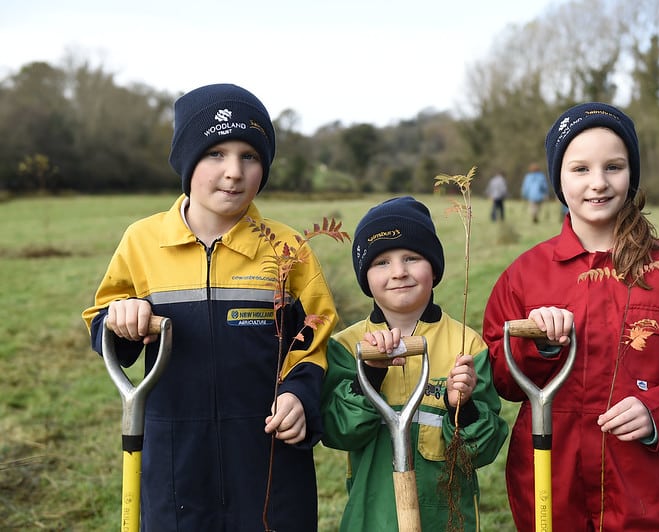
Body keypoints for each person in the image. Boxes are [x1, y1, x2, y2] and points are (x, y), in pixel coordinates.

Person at [81, 83, 337, 531]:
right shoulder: (142, 242)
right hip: (174, 457)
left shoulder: (288, 249)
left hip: (268, 456)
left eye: (249, 156)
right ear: (185, 159)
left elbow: (316, 340)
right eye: (215, 153)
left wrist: (300, 396)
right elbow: (104, 325)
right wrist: (119, 320)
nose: (234, 171)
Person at [482, 102, 659, 530]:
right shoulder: (524, 276)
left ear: (631, 173)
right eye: (580, 169)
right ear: (557, 179)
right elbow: (501, 379)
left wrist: (658, 410)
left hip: (642, 484)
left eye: (613, 167)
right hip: (549, 476)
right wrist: (539, 346)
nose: (598, 183)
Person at [321, 196, 508, 531]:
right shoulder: (349, 347)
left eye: (411, 257)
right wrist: (370, 374)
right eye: (382, 262)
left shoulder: (466, 346)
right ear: (365, 277)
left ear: (433, 267)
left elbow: (482, 451)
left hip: (448, 521)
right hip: (372, 520)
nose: (399, 272)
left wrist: (462, 408)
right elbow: (338, 432)